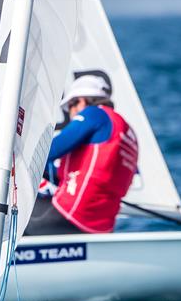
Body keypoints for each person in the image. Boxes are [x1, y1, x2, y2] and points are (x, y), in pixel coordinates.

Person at [24, 74, 139, 235]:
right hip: (101, 226)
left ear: (81, 102)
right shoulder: (128, 133)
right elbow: (90, 176)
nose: (70, 114)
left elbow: (48, 152)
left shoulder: (94, 114)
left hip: (70, 214)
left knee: (9, 209)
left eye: (70, 106)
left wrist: (14, 155)